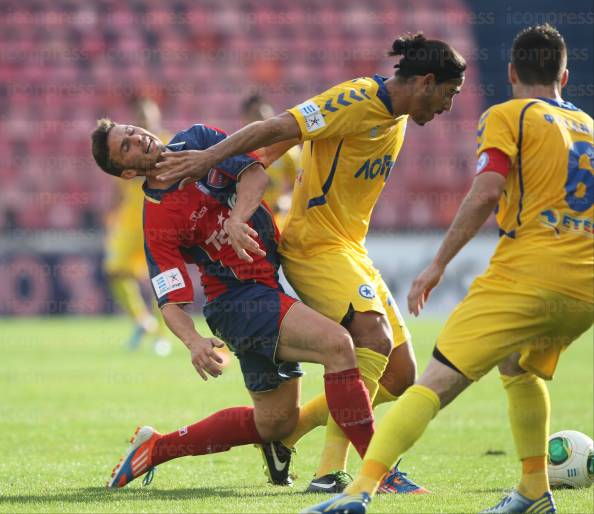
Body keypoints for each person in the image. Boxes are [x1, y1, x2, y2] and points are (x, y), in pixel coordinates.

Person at [154, 32, 466, 493]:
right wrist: (212, 158)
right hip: (316, 245)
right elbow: (278, 126)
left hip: (350, 246)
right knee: (370, 338)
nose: (447, 106)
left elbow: (282, 143)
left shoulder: (394, 113)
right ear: (425, 81)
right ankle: (331, 474)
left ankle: (291, 433)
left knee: (400, 376)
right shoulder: (356, 99)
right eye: (448, 94)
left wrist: (259, 162)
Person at [303, 23, 594, 514]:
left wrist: (437, 265)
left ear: (511, 71)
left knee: (433, 382)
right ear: (564, 74)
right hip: (584, 286)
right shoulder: (588, 126)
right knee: (518, 367)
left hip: (527, 277)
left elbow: (486, 191)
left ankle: (357, 493)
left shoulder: (508, 115)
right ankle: (532, 491)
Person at [91, 119, 379, 489]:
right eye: (126, 146)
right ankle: (378, 471)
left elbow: (255, 175)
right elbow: (169, 298)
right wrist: (193, 342)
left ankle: (157, 448)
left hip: (265, 287)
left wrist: (237, 219)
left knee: (276, 423)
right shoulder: (157, 219)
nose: (136, 138)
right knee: (339, 346)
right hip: (238, 302)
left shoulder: (197, 139)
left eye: (130, 131)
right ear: (129, 171)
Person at [103, 98, 173, 355]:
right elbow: (117, 187)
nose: (145, 120)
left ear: (157, 117)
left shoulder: (168, 143)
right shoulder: (127, 149)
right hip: (130, 222)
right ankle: (142, 321)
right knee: (114, 271)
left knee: (161, 280)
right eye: (141, 115)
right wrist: (110, 218)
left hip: (159, 220)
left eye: (149, 115)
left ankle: (161, 336)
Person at [240, 94, 301, 230]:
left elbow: (300, 186)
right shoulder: (238, 152)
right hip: (247, 224)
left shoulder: (289, 151)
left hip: (278, 223)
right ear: (245, 119)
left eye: (267, 117)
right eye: (257, 116)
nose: (263, 122)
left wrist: (285, 200)